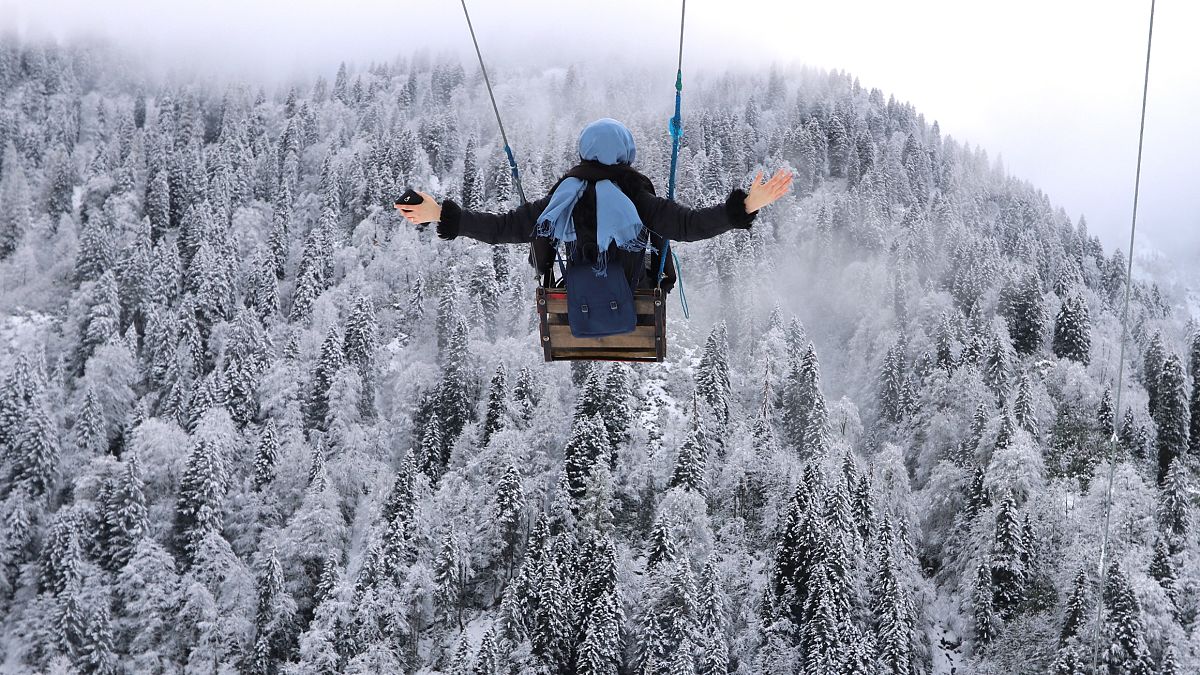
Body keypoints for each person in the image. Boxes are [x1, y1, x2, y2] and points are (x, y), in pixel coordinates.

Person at [396, 117, 792, 292]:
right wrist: (743, 207)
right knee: (653, 249)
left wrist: (442, 214)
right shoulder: (636, 196)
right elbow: (687, 226)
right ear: (625, 155)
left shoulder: (563, 197)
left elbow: (504, 228)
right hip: (634, 289)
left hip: (576, 292)